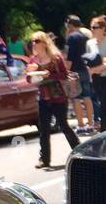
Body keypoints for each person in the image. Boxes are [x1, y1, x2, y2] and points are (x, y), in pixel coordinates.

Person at [26, 31, 80, 168]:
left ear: (44, 42)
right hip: (43, 97)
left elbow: (64, 75)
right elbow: (29, 78)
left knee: (64, 126)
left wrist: (48, 76)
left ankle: (79, 151)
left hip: (58, 97)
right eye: (33, 41)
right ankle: (44, 159)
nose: (34, 44)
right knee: (44, 129)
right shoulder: (33, 60)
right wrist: (33, 74)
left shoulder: (55, 58)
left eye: (37, 41)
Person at [63, 14, 95, 135]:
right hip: (85, 69)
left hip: (74, 70)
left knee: (76, 98)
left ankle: (81, 124)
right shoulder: (85, 36)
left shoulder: (71, 37)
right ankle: (91, 123)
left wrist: (67, 71)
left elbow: (69, 56)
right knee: (87, 96)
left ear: (69, 24)